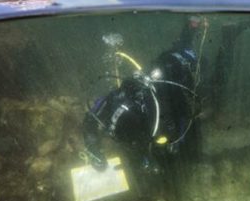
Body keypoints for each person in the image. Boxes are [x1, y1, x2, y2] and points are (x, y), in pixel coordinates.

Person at [82, 17, 204, 176]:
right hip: (165, 66)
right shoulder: (116, 99)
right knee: (177, 52)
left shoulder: (156, 104)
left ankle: (194, 28)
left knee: (185, 59)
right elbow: (90, 120)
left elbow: (182, 114)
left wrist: (174, 144)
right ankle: (191, 27)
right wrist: (93, 151)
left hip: (176, 72)